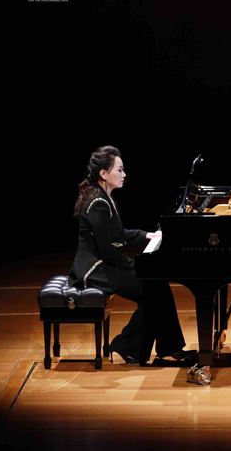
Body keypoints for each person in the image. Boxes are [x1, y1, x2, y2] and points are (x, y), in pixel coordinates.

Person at [70, 146, 191, 364]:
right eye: (119, 170)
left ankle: (160, 347)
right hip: (95, 269)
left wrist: (147, 236)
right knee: (153, 289)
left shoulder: (105, 198)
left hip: (104, 264)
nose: (124, 174)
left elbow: (118, 234)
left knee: (157, 286)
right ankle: (129, 346)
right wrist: (136, 265)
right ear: (104, 174)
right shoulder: (98, 204)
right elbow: (107, 250)